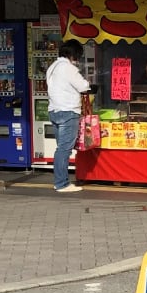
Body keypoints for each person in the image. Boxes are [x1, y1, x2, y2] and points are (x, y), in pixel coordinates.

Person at [46, 39, 90, 193]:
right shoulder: (68, 68)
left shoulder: (52, 67)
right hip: (68, 111)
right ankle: (62, 183)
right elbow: (83, 86)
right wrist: (88, 83)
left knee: (61, 148)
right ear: (73, 55)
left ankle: (59, 181)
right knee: (64, 150)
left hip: (54, 111)